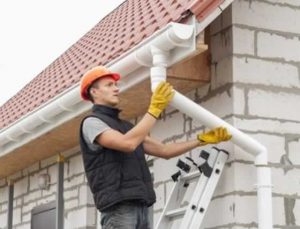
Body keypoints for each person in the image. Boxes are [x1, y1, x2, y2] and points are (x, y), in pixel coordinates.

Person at [79, 66, 231, 229]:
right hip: (118, 209)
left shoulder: (127, 127)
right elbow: (127, 144)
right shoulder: (92, 123)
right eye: (109, 85)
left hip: (142, 207)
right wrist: (155, 109)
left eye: (116, 85)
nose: (116, 89)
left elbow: (164, 151)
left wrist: (201, 140)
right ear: (93, 92)